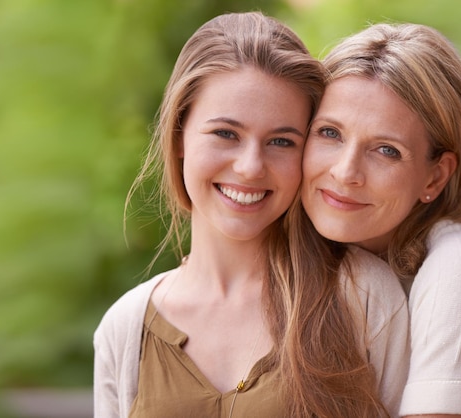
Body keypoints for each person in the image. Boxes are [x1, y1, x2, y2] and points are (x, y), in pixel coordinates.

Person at [93, 12, 409, 418]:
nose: (250, 167)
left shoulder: (363, 298)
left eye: (281, 141)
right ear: (179, 136)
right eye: (226, 134)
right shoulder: (125, 329)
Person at [300, 22, 461, 417]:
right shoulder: (343, 270)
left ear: (435, 175)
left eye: (386, 150)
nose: (345, 171)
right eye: (329, 133)